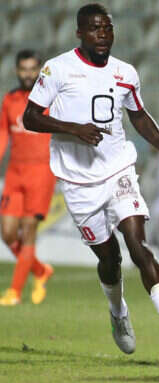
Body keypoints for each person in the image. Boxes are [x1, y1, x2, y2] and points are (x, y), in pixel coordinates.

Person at [22, 3, 159, 362]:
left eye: (108, 28)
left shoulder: (125, 72)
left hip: (118, 171)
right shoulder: (58, 68)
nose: (103, 34)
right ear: (79, 33)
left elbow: (139, 116)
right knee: (110, 259)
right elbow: (31, 117)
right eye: (95, 28)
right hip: (78, 182)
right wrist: (73, 129)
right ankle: (118, 311)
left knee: (138, 246)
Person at [0, 50, 56, 306]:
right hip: (15, 173)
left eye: (33, 69)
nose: (28, 74)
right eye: (23, 69)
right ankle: (40, 270)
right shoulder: (10, 100)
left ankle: (15, 292)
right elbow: (3, 134)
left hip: (41, 172)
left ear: (40, 71)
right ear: (17, 71)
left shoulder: (50, 100)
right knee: (8, 233)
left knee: (28, 229)